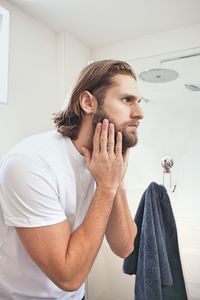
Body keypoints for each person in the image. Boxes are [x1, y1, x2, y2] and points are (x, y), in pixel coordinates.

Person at [0, 60, 144, 300]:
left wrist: (116, 182)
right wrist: (107, 187)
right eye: (126, 100)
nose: (139, 113)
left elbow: (125, 247)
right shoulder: (31, 163)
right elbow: (68, 277)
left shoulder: (106, 162)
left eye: (139, 102)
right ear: (88, 102)